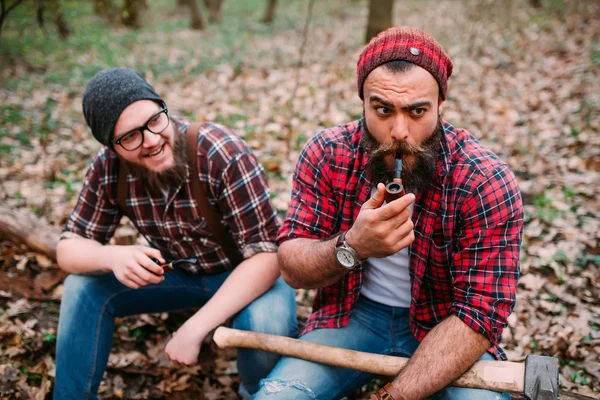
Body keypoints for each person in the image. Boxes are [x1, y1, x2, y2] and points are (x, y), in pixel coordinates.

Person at [254, 27, 523, 400]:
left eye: (417, 111)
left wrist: (391, 396)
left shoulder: (482, 180)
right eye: (383, 110)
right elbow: (292, 267)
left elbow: (480, 313)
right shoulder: (327, 153)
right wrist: (352, 246)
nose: (399, 132)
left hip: (446, 327)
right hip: (352, 316)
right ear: (362, 101)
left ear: (440, 103)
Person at [53, 67, 297, 400]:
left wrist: (194, 328)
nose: (152, 140)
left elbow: (269, 256)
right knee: (81, 288)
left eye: (155, 120)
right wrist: (111, 256)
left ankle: (256, 392)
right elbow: (67, 248)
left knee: (267, 321)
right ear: (112, 147)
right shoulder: (107, 169)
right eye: (129, 137)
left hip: (250, 276)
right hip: (181, 276)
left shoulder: (219, 151)